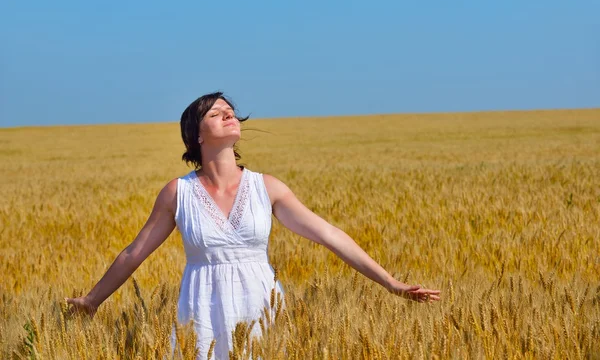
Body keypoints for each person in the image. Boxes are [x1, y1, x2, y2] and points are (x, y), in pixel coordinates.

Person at [66, 92, 441, 359]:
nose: (229, 115)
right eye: (216, 113)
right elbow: (134, 253)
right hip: (202, 312)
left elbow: (330, 235)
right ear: (196, 134)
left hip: (260, 307)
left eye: (231, 111)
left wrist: (391, 283)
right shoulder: (177, 193)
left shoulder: (267, 187)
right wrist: (90, 301)